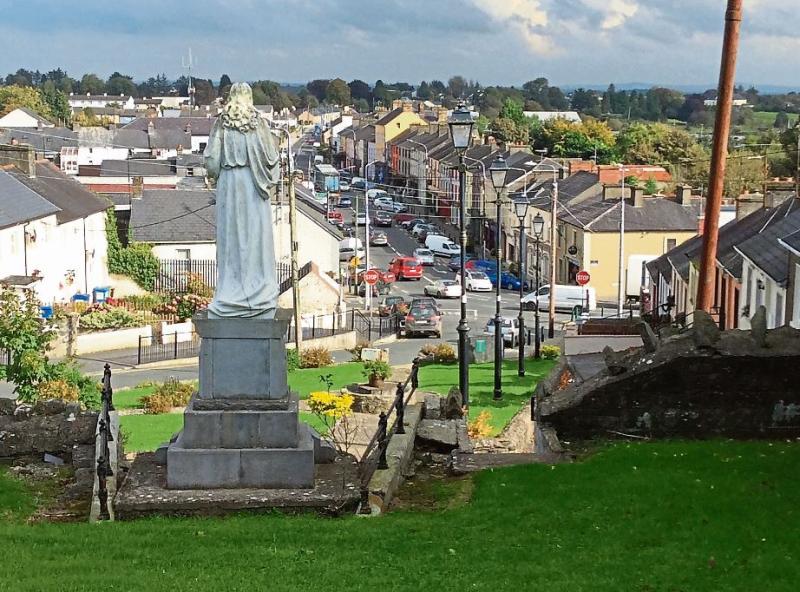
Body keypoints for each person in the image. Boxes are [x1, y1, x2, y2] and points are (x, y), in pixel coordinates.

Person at [203, 83, 281, 318]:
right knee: (255, 238)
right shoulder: (259, 124)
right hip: (252, 185)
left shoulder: (221, 124)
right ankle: (258, 291)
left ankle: (229, 293)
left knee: (231, 241)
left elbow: (211, 161)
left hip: (229, 184)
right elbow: (271, 157)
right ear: (249, 99)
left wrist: (213, 172)